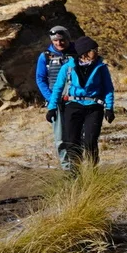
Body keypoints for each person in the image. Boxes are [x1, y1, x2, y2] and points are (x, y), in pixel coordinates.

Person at [50, 37, 115, 172]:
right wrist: (51, 108)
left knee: (90, 141)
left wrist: (109, 108)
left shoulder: (101, 67)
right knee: (72, 141)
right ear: (84, 52)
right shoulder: (67, 67)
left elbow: (108, 88)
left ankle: (92, 171)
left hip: (94, 107)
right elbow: (58, 88)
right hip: (73, 105)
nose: (96, 52)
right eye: (93, 50)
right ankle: (75, 172)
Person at [34, 26, 73, 162]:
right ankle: (67, 169)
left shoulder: (78, 52)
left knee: (79, 135)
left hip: (77, 100)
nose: (59, 43)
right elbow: (40, 79)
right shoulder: (45, 56)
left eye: (61, 40)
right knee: (61, 138)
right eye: (55, 40)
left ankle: (81, 164)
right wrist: (51, 99)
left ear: (67, 38)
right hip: (56, 102)